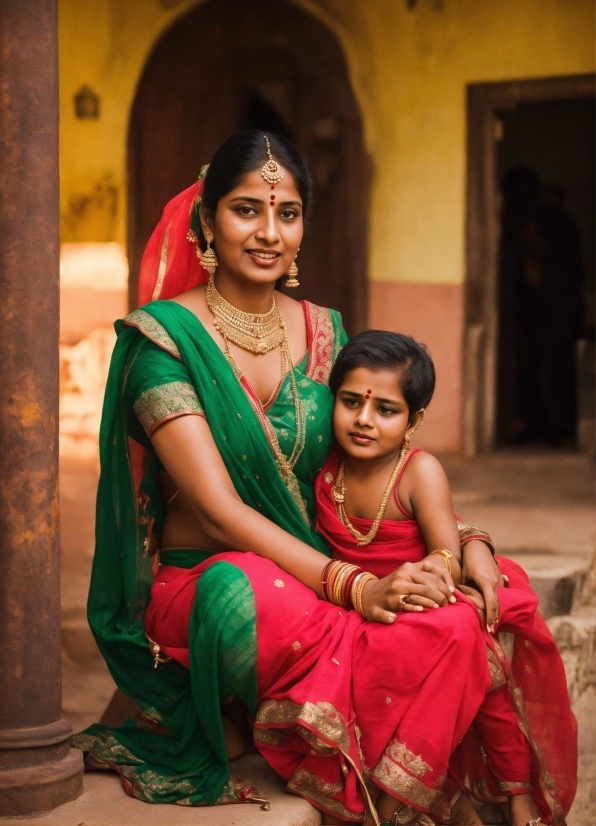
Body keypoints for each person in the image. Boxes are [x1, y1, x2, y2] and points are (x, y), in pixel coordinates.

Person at [73, 131, 507, 823]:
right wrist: (357, 586)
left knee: (462, 604)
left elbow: (366, 465)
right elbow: (216, 511)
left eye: (289, 212)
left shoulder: (326, 332)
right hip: (213, 579)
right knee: (239, 590)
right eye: (247, 210)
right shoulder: (161, 340)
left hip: (320, 571)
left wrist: (463, 539)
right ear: (208, 221)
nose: (270, 232)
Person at [314, 330, 577, 826]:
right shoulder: (324, 466)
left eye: (385, 410)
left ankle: (511, 794)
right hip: (363, 601)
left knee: (474, 644)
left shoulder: (419, 472)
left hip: (428, 596)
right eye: (351, 403)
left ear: (413, 421)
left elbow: (444, 553)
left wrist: (437, 569)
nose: (364, 420)